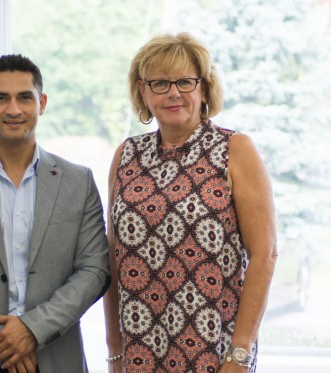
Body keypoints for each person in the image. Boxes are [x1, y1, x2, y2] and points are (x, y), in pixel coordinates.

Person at [103, 32, 277, 373]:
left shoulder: (235, 150)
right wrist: (115, 352)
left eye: (184, 81)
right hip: (139, 355)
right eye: (159, 83)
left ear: (204, 88)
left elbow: (264, 255)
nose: (173, 93)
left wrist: (239, 355)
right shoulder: (126, 155)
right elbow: (112, 258)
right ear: (143, 90)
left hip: (216, 355)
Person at [0, 54, 110, 373]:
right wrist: (2, 339)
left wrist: (32, 331)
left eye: (24, 97)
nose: (13, 109)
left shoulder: (78, 182)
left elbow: (94, 271)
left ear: (41, 103)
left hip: (55, 358)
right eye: (0, 98)